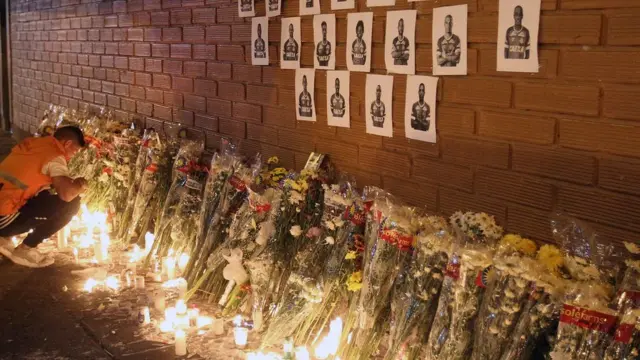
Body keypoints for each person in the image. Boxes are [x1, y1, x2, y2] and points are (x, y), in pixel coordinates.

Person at [0, 126, 87, 267]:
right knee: (72, 205)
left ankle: (6, 236)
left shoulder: (35, 144)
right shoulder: (55, 157)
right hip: (2, 218)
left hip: (3, 197)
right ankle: (26, 248)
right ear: (67, 144)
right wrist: (80, 185)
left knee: (44, 193)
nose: (72, 156)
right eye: (75, 151)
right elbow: (67, 195)